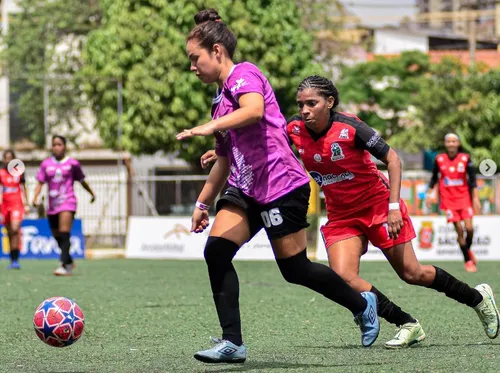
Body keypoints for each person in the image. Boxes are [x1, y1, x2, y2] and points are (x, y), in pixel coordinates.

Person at [203, 75, 500, 349]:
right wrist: (221, 153)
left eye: (312, 103)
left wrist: (394, 207)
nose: (304, 110)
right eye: (300, 104)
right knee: (343, 276)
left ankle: (477, 298)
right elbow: (266, 142)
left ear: (329, 102)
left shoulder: (351, 128)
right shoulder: (292, 129)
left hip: (378, 208)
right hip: (342, 216)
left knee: (413, 273)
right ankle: (407, 323)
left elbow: (394, 160)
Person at [177, 9, 379, 364]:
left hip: (282, 186)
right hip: (245, 188)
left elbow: (254, 110)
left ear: (217, 52)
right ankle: (232, 343)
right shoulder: (219, 100)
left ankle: (362, 304)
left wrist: (208, 128)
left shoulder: (245, 74)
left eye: (196, 58)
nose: (192, 66)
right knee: (216, 252)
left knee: (295, 270)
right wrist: (203, 203)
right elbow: (224, 159)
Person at [32, 135, 96, 276]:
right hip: (52, 205)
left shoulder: (73, 164)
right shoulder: (46, 164)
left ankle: (64, 266)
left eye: (59, 144)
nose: (56, 147)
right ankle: (69, 260)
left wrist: (91, 193)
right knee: (57, 236)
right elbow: (40, 183)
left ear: (65, 146)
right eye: (54, 145)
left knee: (64, 233)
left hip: (68, 201)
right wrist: (35, 198)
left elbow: (82, 180)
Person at [425, 134, 481, 272]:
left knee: (469, 229)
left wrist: (475, 198)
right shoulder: (439, 159)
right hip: (448, 199)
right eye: (448, 141)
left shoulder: (465, 158)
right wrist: (429, 193)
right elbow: (433, 178)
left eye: (454, 141)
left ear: (458, 143)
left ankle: (467, 251)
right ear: (445, 144)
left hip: (464, 198)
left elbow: (473, 180)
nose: (451, 144)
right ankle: (468, 260)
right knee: (460, 230)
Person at [0, 150, 29, 269]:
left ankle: (16, 259)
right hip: (4, 205)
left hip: (17, 204)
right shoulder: (1, 173)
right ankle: (12, 259)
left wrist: (27, 203)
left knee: (15, 228)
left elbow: (24, 187)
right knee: (9, 232)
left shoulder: (19, 173)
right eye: (6, 158)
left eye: (10, 158)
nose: (8, 161)